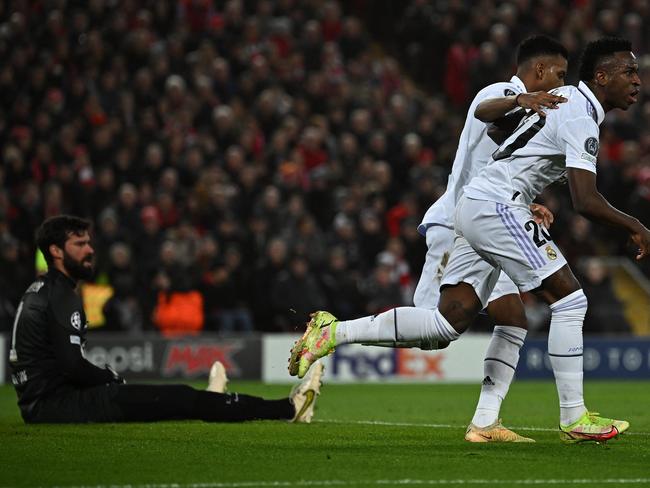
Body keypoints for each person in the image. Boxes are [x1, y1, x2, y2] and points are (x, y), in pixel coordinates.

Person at [290, 37, 649, 443]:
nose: (638, 81)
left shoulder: (560, 98)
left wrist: (525, 193)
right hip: (492, 206)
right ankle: (574, 417)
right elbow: (584, 199)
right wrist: (636, 225)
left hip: (482, 203)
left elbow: (503, 136)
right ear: (601, 77)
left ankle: (334, 333)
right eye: (630, 72)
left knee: (450, 321)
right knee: (570, 299)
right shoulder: (564, 107)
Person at [8, 215, 323, 424]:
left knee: (172, 399)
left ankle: (213, 400)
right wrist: (109, 378)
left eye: (89, 242)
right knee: (180, 397)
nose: (90, 250)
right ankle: (289, 408)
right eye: (80, 244)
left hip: (44, 405)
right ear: (56, 251)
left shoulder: (40, 290)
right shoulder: (61, 295)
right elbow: (71, 366)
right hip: (63, 407)